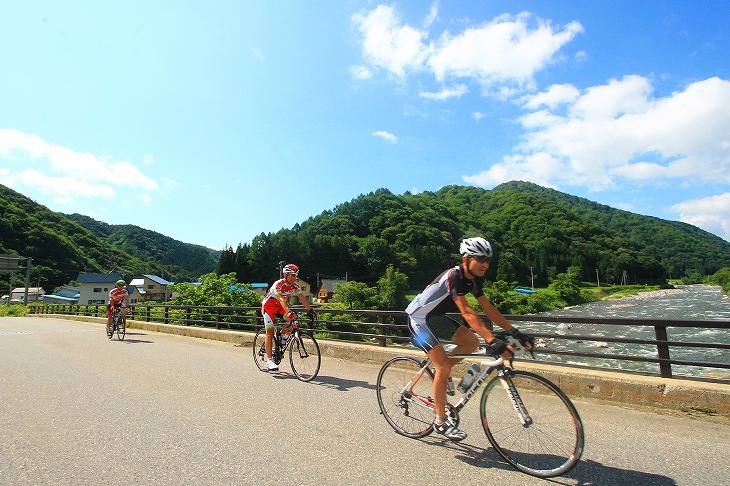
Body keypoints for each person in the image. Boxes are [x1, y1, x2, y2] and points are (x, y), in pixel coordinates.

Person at [406, 237, 532, 441]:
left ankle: (443, 371)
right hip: (418, 319)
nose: (485, 264)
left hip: (437, 319)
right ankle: (440, 421)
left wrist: (514, 331)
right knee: (443, 366)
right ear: (466, 259)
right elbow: (468, 312)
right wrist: (492, 340)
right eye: (480, 259)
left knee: (471, 343)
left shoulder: (473, 279)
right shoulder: (454, 276)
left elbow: (488, 309)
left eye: (488, 260)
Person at [261, 264, 316, 371]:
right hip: (268, 307)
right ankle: (269, 360)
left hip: (280, 307)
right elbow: (281, 299)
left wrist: (310, 310)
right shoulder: (278, 284)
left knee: (292, 319)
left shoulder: (295, 286)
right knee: (270, 332)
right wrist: (288, 311)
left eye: (295, 275)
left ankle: (282, 337)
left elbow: (302, 298)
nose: (294, 277)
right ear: (285, 275)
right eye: (291, 275)